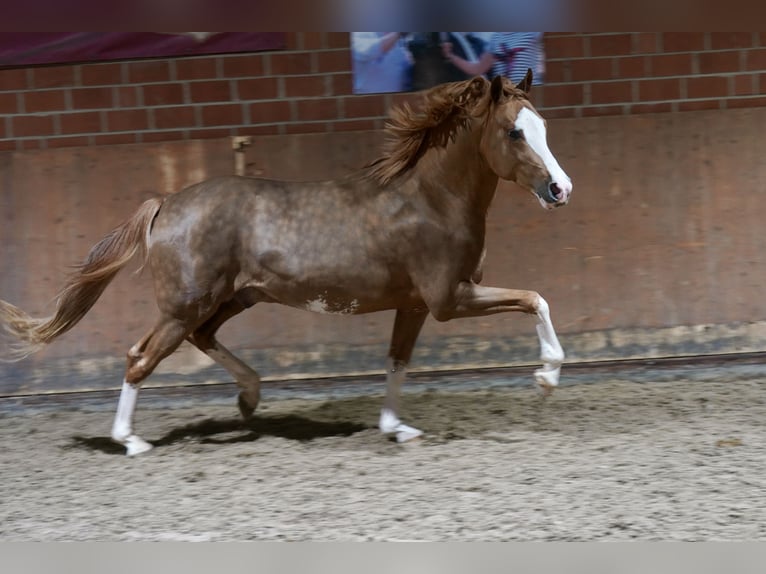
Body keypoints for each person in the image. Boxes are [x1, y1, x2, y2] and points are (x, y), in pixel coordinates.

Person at [441, 32, 546, 85]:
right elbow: (477, 68)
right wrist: (451, 56)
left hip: (530, 92)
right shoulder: (496, 38)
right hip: (505, 96)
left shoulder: (533, 31)